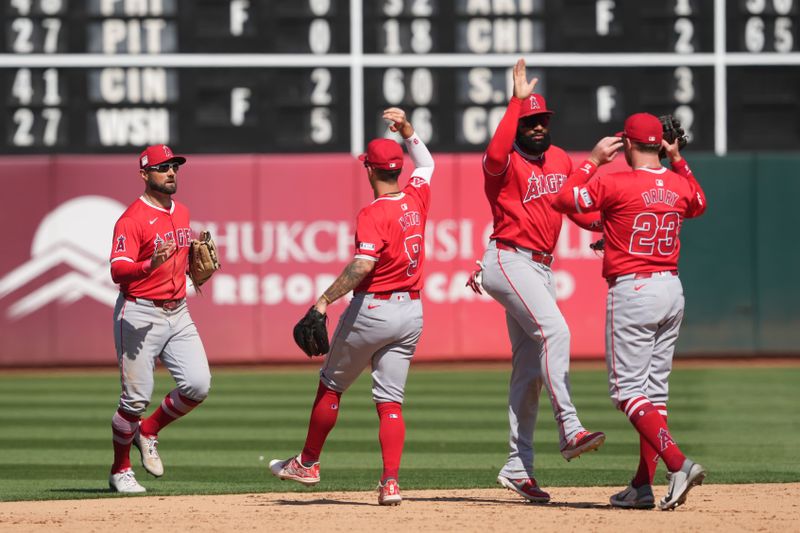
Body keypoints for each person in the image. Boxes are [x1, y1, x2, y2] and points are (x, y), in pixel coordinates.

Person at [269, 108, 434, 506]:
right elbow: (426, 163)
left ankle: (308, 463)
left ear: (370, 171)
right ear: (397, 168)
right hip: (411, 312)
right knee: (390, 401)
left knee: (331, 385)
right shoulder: (416, 197)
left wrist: (323, 301)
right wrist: (409, 131)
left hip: (373, 311)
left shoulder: (373, 213)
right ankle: (391, 483)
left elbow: (363, 264)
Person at [552, 112, 707, 510]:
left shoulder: (613, 180)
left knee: (627, 392)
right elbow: (699, 203)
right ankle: (641, 485)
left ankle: (677, 463)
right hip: (672, 288)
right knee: (654, 393)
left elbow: (565, 199)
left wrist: (592, 160)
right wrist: (678, 160)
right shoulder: (676, 183)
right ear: (660, 144)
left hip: (635, 291)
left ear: (627, 144)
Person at [474, 58, 606, 503]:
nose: (535, 127)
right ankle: (569, 426)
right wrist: (514, 102)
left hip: (541, 267)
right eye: (528, 121)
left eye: (540, 120)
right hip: (508, 258)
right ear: (516, 123)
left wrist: (602, 228)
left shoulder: (560, 158)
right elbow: (493, 154)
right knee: (556, 330)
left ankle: (518, 466)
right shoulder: (504, 161)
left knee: (529, 371)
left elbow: (575, 207)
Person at [107, 144, 212, 493]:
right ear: (144, 174)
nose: (170, 172)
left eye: (174, 167)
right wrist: (149, 265)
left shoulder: (180, 212)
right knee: (134, 400)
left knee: (197, 385)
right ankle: (120, 470)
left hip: (178, 311)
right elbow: (118, 270)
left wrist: (191, 273)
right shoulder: (131, 219)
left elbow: (181, 261)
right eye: (162, 167)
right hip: (139, 312)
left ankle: (148, 431)